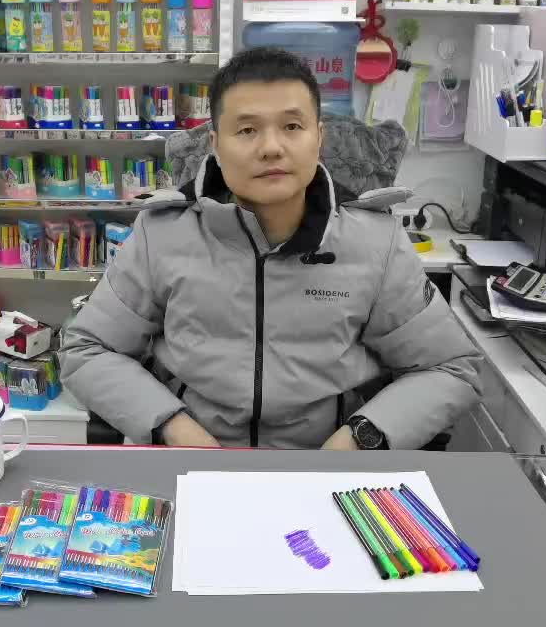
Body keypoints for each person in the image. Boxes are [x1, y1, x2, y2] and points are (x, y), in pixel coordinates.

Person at [59, 47, 483, 450]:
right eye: (247, 130)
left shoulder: (376, 242)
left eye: (292, 127)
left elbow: (449, 368)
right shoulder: (162, 235)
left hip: (328, 467)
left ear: (319, 137)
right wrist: (172, 426)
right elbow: (88, 351)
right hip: (194, 463)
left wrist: (360, 438)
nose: (271, 147)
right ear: (215, 145)